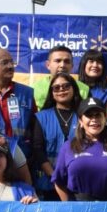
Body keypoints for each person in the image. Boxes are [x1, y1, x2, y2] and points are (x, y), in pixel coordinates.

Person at [30, 71, 82, 200]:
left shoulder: (84, 116)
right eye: (56, 88)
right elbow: (38, 149)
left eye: (66, 86)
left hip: (77, 181)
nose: (61, 90)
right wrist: (54, 176)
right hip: (47, 183)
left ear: (74, 89)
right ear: (52, 93)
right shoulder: (41, 117)